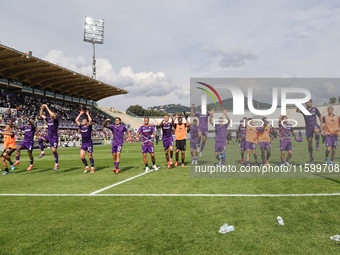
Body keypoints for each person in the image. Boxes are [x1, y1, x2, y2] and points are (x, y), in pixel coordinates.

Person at [296, 99, 323, 164]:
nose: (309, 103)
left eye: (310, 102)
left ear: (311, 103)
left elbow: (319, 116)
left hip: (314, 125)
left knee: (317, 131)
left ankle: (317, 144)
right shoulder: (304, 110)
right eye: (307, 102)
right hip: (308, 128)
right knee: (309, 143)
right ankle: (311, 158)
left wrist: (321, 123)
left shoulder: (315, 109)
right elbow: (297, 110)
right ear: (306, 103)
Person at [38, 104, 59, 171]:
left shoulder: (56, 121)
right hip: (48, 137)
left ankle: (56, 164)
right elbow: (41, 115)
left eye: (53, 114)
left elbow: (52, 115)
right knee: (39, 139)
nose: (51, 115)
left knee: (54, 151)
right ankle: (42, 152)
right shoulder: (48, 120)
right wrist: (42, 108)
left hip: (54, 138)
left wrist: (46, 107)